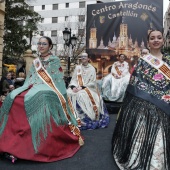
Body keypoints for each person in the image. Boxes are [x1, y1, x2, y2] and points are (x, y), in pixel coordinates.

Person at [0, 36, 84, 163]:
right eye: (39, 43)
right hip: (33, 85)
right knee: (13, 96)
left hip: (50, 88)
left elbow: (56, 79)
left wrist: (40, 85)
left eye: (44, 44)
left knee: (39, 96)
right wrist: (31, 85)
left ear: (50, 46)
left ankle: (36, 139)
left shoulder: (54, 60)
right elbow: (31, 78)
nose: (40, 46)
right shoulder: (36, 61)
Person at [112, 30, 170, 169]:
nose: (156, 40)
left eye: (159, 37)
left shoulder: (168, 60)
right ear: (148, 42)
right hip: (145, 105)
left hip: (166, 104)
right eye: (152, 38)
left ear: (163, 40)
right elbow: (135, 84)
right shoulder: (143, 61)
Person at [67, 52, 109, 130]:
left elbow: (92, 82)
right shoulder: (78, 68)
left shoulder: (92, 68)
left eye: (85, 57)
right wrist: (73, 87)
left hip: (88, 88)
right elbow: (73, 79)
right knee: (68, 92)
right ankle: (71, 117)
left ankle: (82, 118)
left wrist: (82, 87)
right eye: (82, 57)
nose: (83, 58)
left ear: (88, 58)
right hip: (77, 87)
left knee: (80, 95)